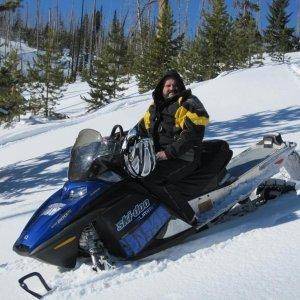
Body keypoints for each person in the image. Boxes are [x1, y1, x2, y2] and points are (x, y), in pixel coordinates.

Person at [128, 70, 210, 225]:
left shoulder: (188, 103)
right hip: (157, 156)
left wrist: (168, 153)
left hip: (184, 157)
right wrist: (118, 138)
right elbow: (141, 128)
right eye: (168, 85)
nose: (172, 88)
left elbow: (191, 134)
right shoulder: (155, 107)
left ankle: (187, 218)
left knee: (154, 178)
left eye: (175, 85)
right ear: (161, 88)